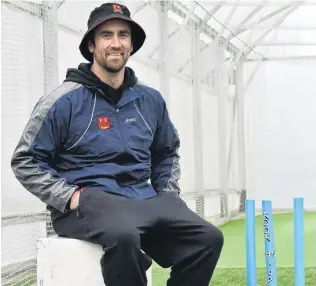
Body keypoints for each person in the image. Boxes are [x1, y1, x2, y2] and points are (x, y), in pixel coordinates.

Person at [11, 3, 223, 286]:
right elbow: (25, 160)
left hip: (141, 198)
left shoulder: (150, 100)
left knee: (208, 238)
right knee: (124, 236)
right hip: (87, 203)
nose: (116, 43)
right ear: (91, 45)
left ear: (132, 45)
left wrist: (167, 193)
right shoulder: (62, 100)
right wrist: (70, 197)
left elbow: (167, 151)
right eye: (106, 35)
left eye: (123, 35)